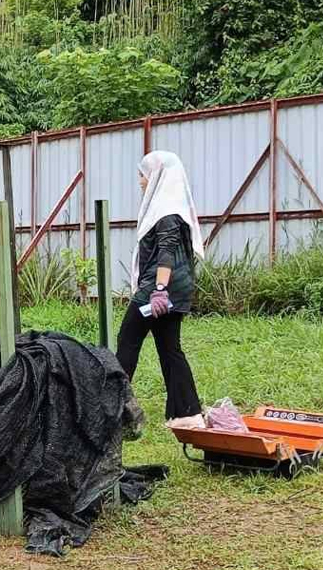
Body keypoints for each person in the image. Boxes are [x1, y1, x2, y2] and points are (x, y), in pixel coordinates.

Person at [116, 150, 206, 430]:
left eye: (143, 175)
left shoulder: (166, 211)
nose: (141, 181)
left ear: (158, 176)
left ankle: (112, 408)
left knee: (128, 340)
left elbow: (166, 252)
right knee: (170, 349)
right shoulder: (173, 208)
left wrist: (158, 290)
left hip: (159, 291)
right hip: (174, 291)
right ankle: (187, 414)